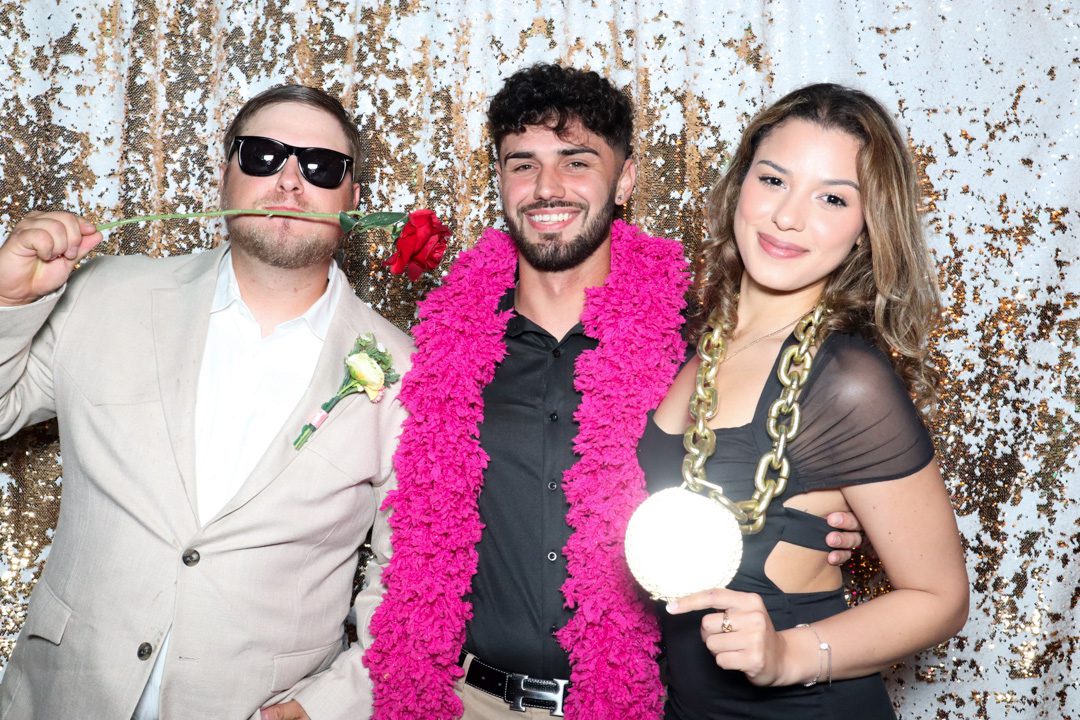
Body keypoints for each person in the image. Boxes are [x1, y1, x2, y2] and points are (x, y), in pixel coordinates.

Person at [362, 64, 864, 720]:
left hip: (640, 702)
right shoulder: (440, 351)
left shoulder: (695, 343)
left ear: (624, 180)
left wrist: (816, 511)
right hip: (463, 700)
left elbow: (753, 472)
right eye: (523, 164)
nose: (547, 187)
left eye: (576, 162)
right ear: (500, 180)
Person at [0, 84, 411, 720]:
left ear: (353, 200)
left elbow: (410, 575)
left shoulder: (407, 371)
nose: (290, 181)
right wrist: (8, 301)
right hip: (63, 695)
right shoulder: (104, 295)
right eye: (263, 156)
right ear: (224, 175)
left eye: (321, 166)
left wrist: (329, 704)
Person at [638, 83, 970, 718]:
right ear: (739, 185)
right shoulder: (692, 339)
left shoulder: (845, 379)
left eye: (832, 198)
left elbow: (941, 597)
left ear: (867, 227)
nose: (788, 217)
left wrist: (788, 655)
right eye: (773, 180)